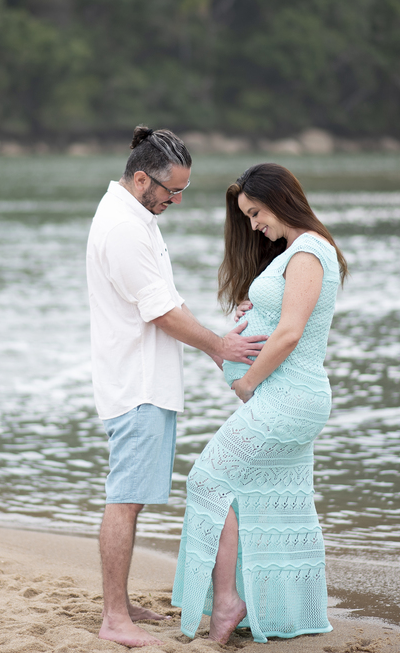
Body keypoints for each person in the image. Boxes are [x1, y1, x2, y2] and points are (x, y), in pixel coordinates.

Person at [87, 126, 268, 648]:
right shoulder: (123, 228)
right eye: (172, 190)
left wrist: (216, 346)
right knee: (126, 500)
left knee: (133, 499)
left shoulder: (136, 218)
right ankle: (113, 618)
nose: (178, 200)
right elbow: (161, 313)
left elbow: (168, 298)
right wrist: (219, 346)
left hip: (143, 381)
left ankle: (120, 606)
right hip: (137, 385)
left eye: (183, 190)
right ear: (142, 179)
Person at [171, 162, 348, 644]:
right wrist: (257, 308)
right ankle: (268, 608)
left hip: (290, 396)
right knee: (254, 494)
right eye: (247, 216)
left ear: (279, 199)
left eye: (255, 213)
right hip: (284, 395)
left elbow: (290, 334)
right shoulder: (295, 252)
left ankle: (229, 601)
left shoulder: (309, 251)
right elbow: (284, 316)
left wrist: (247, 382)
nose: (252, 225)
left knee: (208, 480)